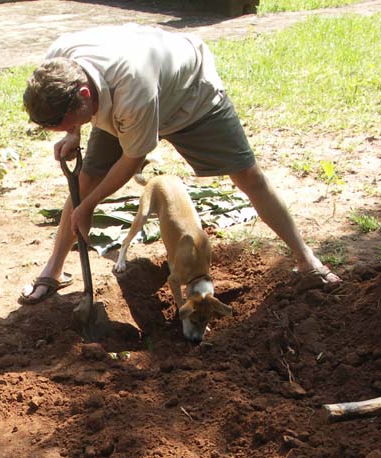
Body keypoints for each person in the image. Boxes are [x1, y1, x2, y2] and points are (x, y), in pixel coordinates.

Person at [20, 24, 340, 305]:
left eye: (63, 124)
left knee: (247, 175)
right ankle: (54, 269)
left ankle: (306, 259)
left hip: (189, 97)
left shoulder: (134, 91)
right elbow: (73, 108)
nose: (60, 131)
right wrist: (72, 133)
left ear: (85, 94)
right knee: (86, 179)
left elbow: (133, 159)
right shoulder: (58, 61)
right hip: (119, 104)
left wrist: (88, 206)